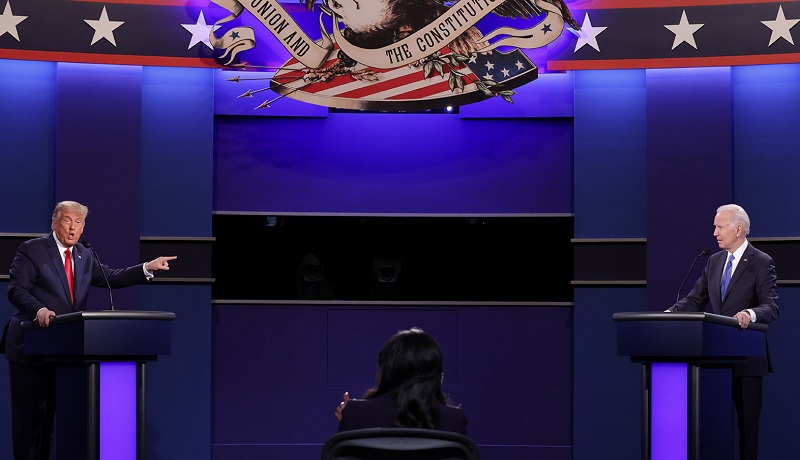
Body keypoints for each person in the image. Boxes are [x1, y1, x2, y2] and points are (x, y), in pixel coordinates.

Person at [1, 201, 177, 460]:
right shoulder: (33, 250)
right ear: (55, 222)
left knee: (54, 423)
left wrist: (145, 268)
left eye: (79, 222)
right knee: (31, 425)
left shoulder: (84, 256)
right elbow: (17, 289)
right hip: (32, 346)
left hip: (66, 351)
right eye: (67, 220)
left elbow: (111, 277)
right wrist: (38, 310)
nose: (73, 228)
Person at [668, 204, 778, 460]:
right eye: (715, 226)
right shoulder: (714, 261)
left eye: (719, 226)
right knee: (712, 427)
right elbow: (695, 300)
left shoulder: (761, 262)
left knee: (747, 431)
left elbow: (771, 307)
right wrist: (668, 315)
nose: (715, 232)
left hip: (747, 358)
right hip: (714, 359)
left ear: (738, 229)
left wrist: (749, 315)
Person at [333, 327, 467, 434]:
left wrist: (349, 425)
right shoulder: (454, 420)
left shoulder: (355, 414)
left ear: (386, 370)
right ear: (437, 375)